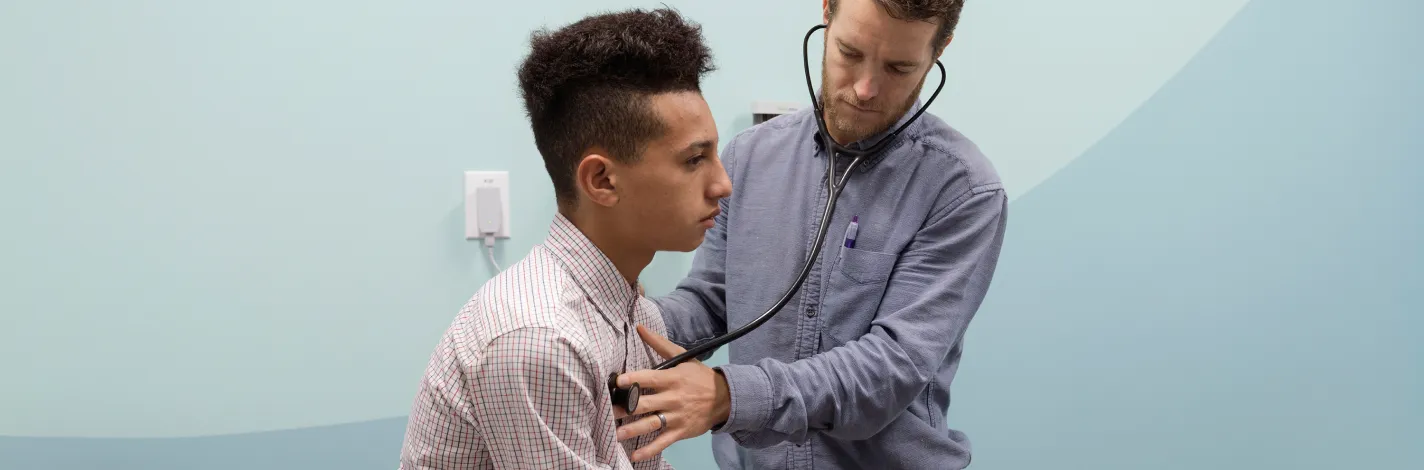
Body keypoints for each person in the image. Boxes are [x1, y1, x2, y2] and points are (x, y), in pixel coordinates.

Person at [612, 0, 1006, 469]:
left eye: (899, 68)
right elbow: (713, 302)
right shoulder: (748, 158)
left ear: (941, 47)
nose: (864, 89)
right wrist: (623, 327)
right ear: (826, 11)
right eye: (849, 53)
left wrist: (726, 395)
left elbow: (891, 367)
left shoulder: (963, 191)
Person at [397, 7, 730, 469]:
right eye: (695, 160)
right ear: (602, 181)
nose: (722, 185)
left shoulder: (631, 312)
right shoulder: (539, 338)